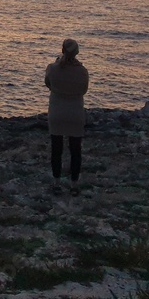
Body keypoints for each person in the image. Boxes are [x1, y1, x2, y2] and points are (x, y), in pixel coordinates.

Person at [44, 38, 89, 195]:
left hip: (57, 112)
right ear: (77, 53)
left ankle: (56, 182)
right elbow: (83, 90)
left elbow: (48, 84)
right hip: (75, 113)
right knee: (75, 150)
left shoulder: (53, 68)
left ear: (62, 50)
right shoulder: (82, 71)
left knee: (56, 149)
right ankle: (74, 185)